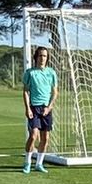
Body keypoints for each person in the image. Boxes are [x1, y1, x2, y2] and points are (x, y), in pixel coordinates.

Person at [22, 45, 58, 173]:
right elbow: (25, 91)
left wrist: (49, 107)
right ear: (36, 57)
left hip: (46, 109)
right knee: (33, 136)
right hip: (34, 108)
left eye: (45, 56)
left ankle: (39, 164)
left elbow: (55, 92)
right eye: (40, 56)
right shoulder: (30, 73)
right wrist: (28, 108)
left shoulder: (51, 73)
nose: (42, 58)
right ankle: (27, 162)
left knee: (45, 138)